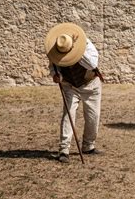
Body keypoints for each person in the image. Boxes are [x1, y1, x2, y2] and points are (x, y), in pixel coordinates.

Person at [44, 23, 104, 163]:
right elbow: (53, 67)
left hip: (90, 85)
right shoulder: (56, 49)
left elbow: (92, 65)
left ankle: (88, 146)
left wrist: (77, 52)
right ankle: (64, 150)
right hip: (69, 85)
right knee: (68, 115)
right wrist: (56, 75)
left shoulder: (87, 45)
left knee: (93, 116)